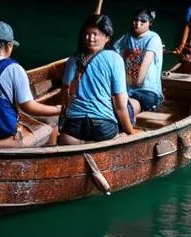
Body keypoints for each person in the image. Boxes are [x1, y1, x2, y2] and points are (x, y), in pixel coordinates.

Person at [58, 13, 138, 144]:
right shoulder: (115, 59)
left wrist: (62, 128)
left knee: (67, 141)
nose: (90, 38)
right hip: (102, 127)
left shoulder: (73, 59)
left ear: (107, 37)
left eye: (96, 34)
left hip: (72, 129)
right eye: (87, 34)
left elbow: (66, 97)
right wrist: (130, 131)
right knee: (128, 106)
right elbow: (119, 103)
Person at [112, 8, 164, 114]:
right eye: (135, 20)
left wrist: (137, 82)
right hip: (127, 91)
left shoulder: (153, 38)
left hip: (147, 92)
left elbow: (147, 60)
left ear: (150, 23)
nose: (137, 24)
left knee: (126, 106)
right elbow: (113, 55)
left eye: (143, 21)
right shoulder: (127, 38)